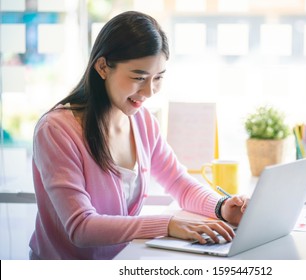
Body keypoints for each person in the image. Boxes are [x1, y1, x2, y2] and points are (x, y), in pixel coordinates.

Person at [29, 11, 248, 260]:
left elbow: (178, 182)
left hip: (123, 260)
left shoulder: (141, 120)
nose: (149, 91)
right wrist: (167, 224)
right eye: (138, 78)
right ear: (102, 67)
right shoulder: (56, 130)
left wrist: (221, 208)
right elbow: (80, 227)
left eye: (158, 78)